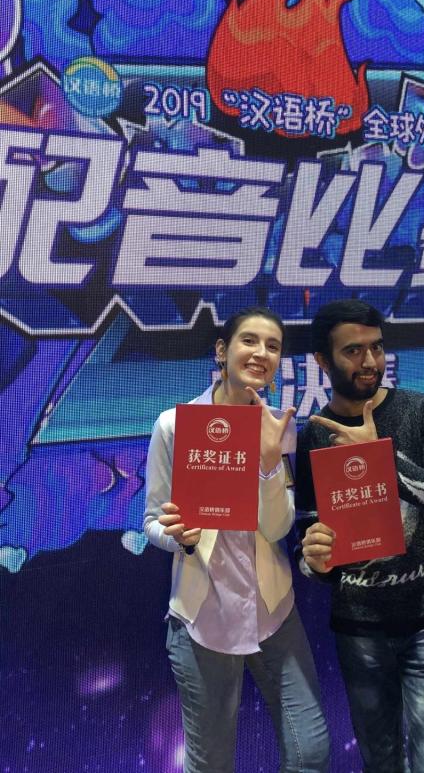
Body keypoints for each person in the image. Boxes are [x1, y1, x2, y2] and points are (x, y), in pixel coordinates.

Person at [144, 307, 330, 773]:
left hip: (274, 612)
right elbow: (152, 522)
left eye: (273, 346)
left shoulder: (280, 428)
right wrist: (178, 537)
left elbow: (278, 528)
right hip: (203, 618)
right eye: (249, 341)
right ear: (222, 350)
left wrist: (268, 465)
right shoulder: (174, 425)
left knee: (310, 751)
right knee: (211, 764)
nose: (261, 353)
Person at [295, 299, 424, 773]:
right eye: (353, 351)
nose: (370, 362)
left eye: (376, 348)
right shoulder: (313, 436)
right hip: (361, 629)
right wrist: (313, 561)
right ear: (322, 360)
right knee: (380, 762)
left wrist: (380, 457)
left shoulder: (420, 410)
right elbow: (309, 537)